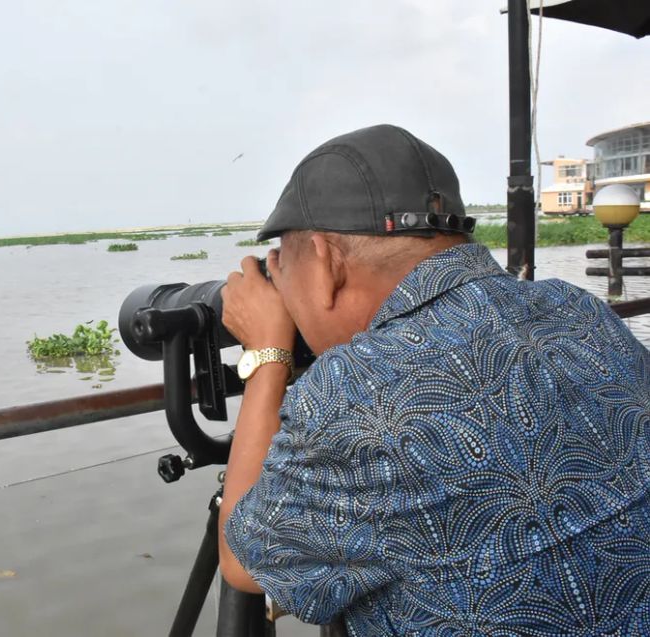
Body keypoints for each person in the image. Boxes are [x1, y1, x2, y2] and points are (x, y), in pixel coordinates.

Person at [218, 124, 650, 635]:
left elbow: (243, 562)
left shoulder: (353, 396)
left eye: (279, 268)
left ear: (325, 261)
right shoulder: (577, 309)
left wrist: (267, 356)